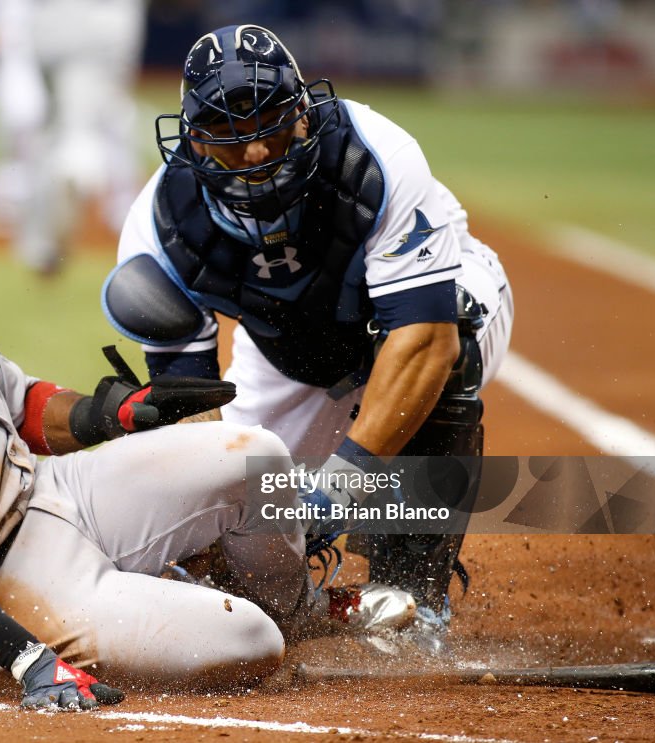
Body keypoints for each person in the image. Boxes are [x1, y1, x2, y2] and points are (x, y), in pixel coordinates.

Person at [0, 143, 417, 708]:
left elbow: (21, 404)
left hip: (55, 493)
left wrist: (116, 412)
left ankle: (297, 605)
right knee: (250, 643)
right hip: (2, 584)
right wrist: (22, 656)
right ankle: (209, 603)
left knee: (258, 456)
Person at [102, 24, 515, 649]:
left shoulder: (375, 155)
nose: (254, 153)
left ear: (302, 113)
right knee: (227, 520)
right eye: (226, 135)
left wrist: (335, 491)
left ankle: (414, 601)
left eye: (269, 124)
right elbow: (192, 414)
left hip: (430, 306)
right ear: (191, 139)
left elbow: (425, 341)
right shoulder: (161, 227)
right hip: (285, 356)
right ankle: (320, 606)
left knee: (450, 341)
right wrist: (235, 525)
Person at [0, 0, 147, 275]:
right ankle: (81, 176)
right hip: (110, 27)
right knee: (94, 120)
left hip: (47, 26)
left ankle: (40, 240)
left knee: (48, 127)